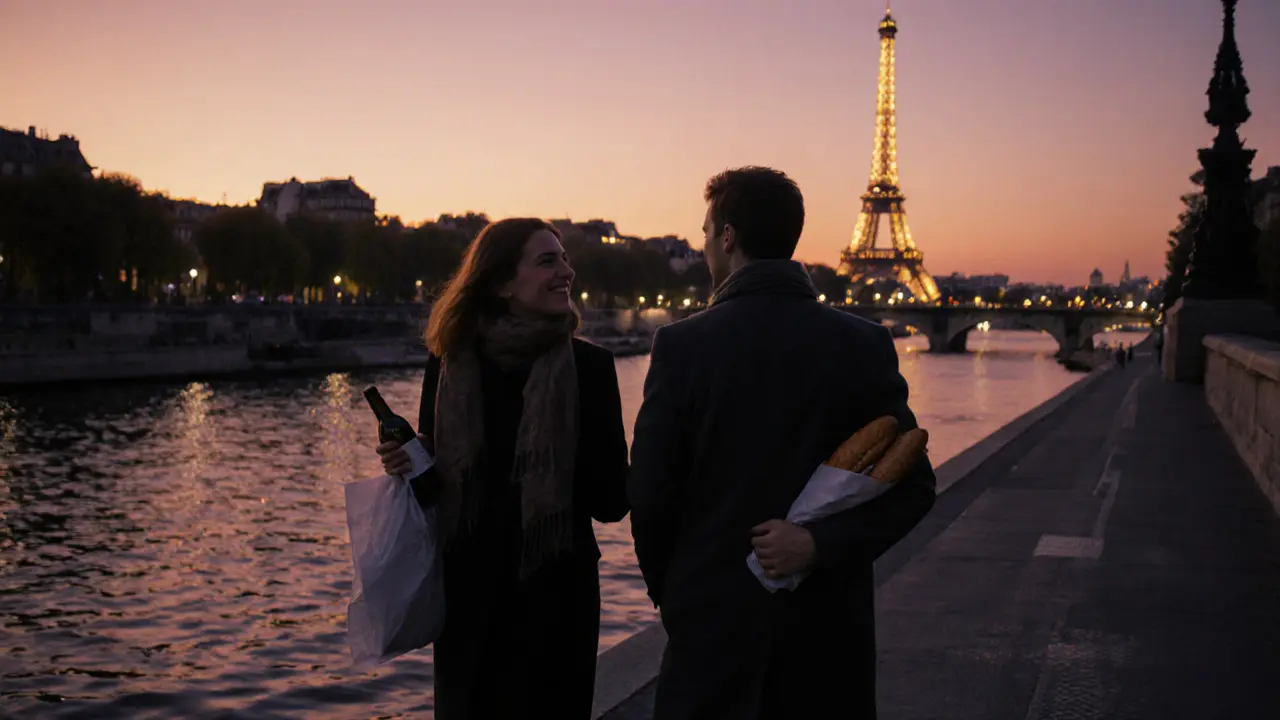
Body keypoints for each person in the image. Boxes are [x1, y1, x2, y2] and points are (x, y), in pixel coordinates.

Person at [628, 167, 937, 719]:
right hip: (826, 635)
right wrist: (821, 545)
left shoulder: (682, 346)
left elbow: (650, 497)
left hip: (712, 629)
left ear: (727, 237)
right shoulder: (863, 343)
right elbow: (913, 488)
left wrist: (677, 597)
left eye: (705, 233)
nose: (703, 246)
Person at [376, 218, 630, 719]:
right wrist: (408, 463)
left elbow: (611, 504)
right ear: (500, 282)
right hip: (469, 604)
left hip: (556, 605)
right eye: (547, 261)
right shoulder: (447, 365)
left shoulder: (591, 369)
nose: (566, 271)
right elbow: (439, 495)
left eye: (564, 259)